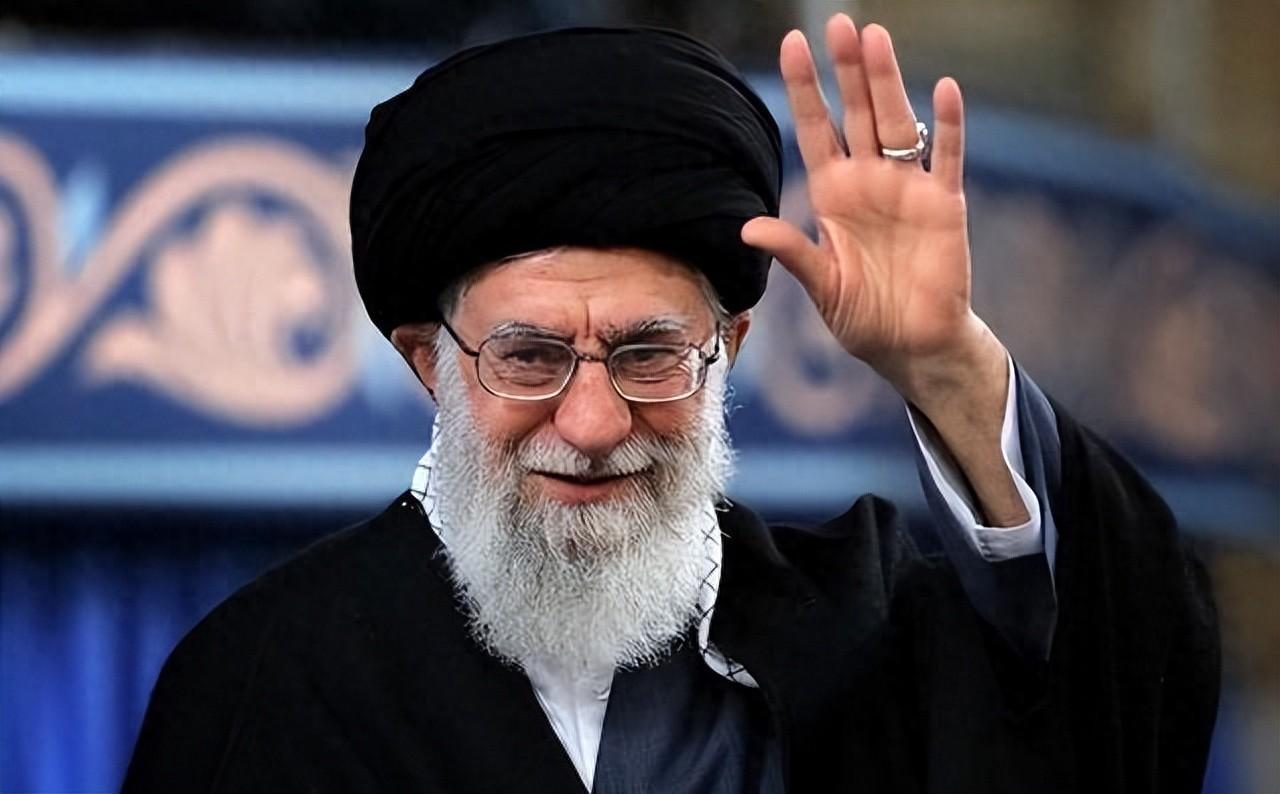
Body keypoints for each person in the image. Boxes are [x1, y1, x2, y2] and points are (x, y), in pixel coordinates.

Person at [121, 15, 1219, 794]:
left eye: (649, 354)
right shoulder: (265, 681)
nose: (594, 424)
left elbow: (1128, 699)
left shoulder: (871, 634)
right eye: (529, 357)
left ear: (727, 347)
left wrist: (944, 363)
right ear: (428, 362)